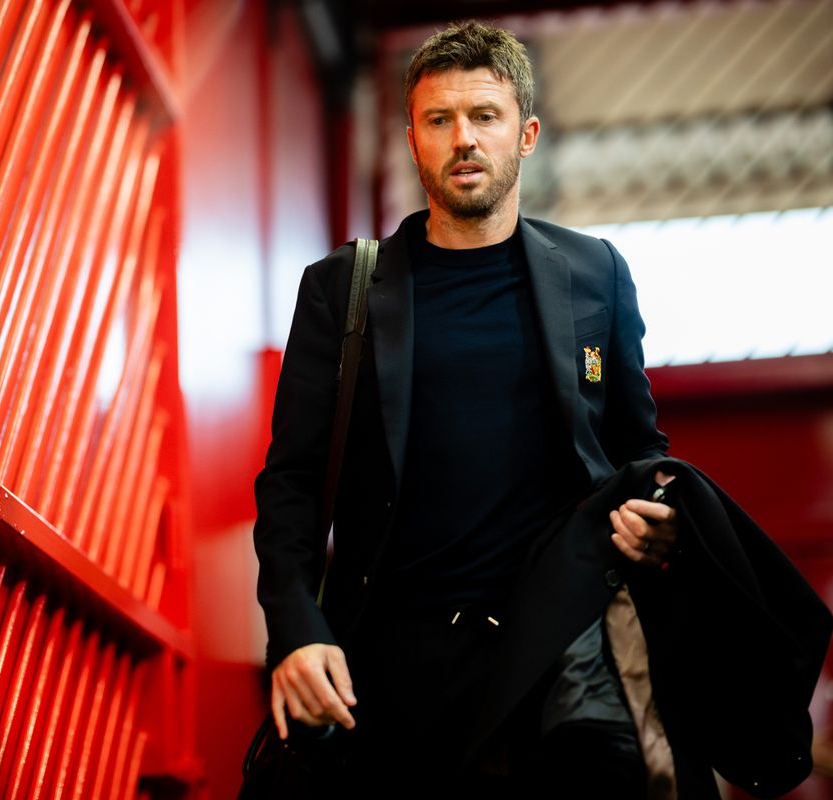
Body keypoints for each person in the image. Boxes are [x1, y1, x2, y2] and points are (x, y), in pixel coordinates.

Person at [253, 20, 681, 797]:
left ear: (526, 133)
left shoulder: (596, 274)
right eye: (440, 119)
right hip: (392, 662)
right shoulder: (342, 289)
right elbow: (290, 483)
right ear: (411, 136)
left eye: (485, 116)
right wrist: (295, 629)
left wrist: (655, 523)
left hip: (557, 657)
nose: (464, 139)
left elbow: (636, 454)